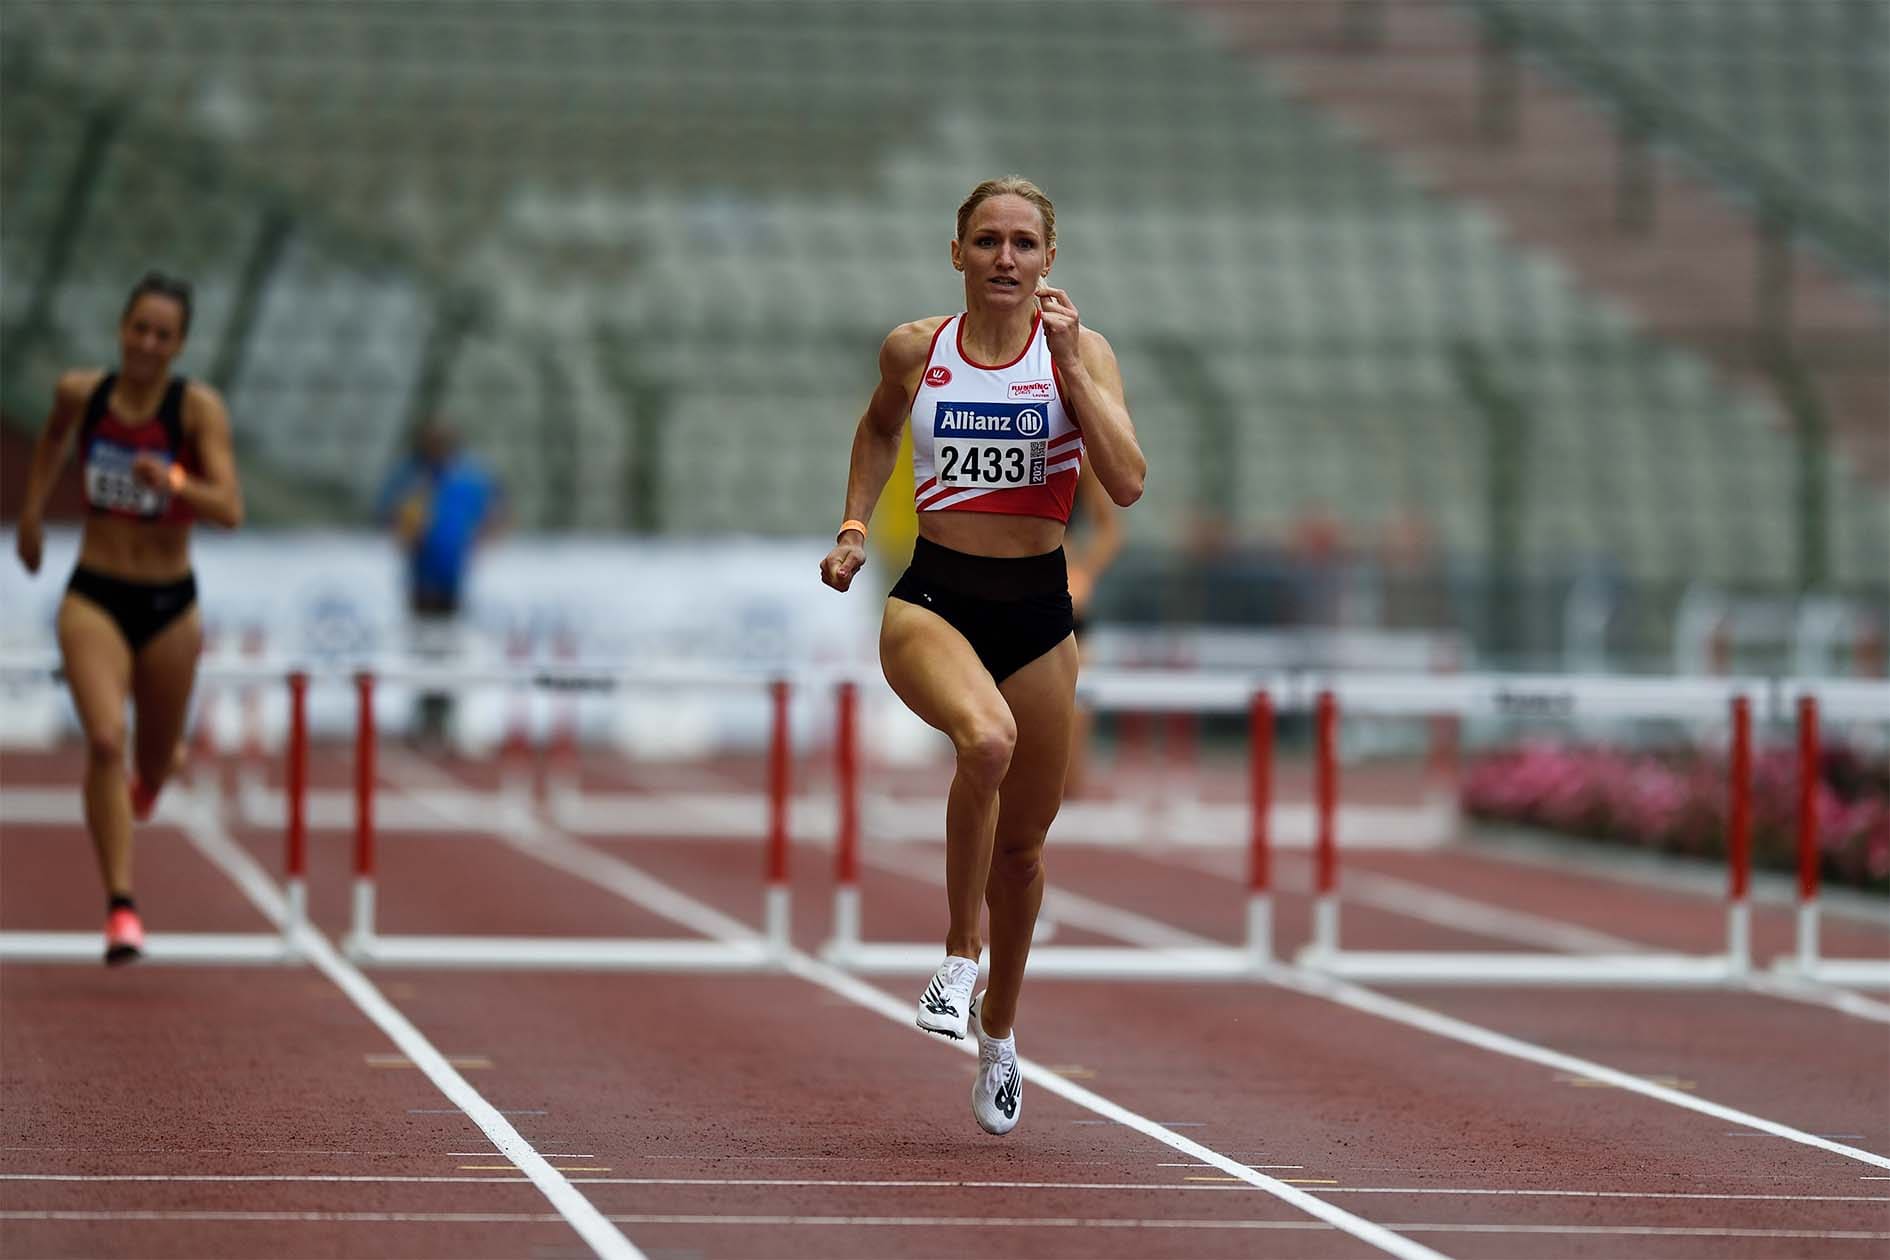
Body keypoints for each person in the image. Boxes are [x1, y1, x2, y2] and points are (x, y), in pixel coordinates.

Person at [820, 176, 1145, 1135]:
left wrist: (1074, 373)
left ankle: (999, 1032)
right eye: (989, 240)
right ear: (957, 253)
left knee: (1025, 851)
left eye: (1024, 244)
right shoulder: (916, 350)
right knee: (985, 741)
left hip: (1039, 613)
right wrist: (850, 522)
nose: (1006, 258)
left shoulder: (1083, 357)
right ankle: (958, 959)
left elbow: (1126, 484)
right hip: (934, 600)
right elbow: (880, 428)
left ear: (1050, 261)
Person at [12, 271, 245, 965]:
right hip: (96, 593)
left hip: (170, 603)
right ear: (121, 328)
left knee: (148, 761)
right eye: (138, 327)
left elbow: (230, 508)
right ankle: (121, 907)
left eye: (162, 334)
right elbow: (52, 440)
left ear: (180, 345)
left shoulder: (196, 410)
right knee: (107, 741)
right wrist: (31, 513)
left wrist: (171, 480)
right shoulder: (81, 393)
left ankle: (160, 762)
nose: (147, 343)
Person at [375, 418, 505, 746]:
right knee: (422, 646)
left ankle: (444, 717)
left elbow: (496, 509)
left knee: (448, 647)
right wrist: (402, 532)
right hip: (421, 573)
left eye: (442, 442)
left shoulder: (471, 477)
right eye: (432, 442)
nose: (437, 448)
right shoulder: (410, 476)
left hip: (455, 574)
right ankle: (424, 715)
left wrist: (483, 537)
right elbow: (389, 515)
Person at [1062, 462, 1123, 797]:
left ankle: (1071, 786)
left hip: (1065, 594)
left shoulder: (1080, 459)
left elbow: (1110, 530)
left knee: (1077, 698)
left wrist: (1085, 572)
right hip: (1008, 586)